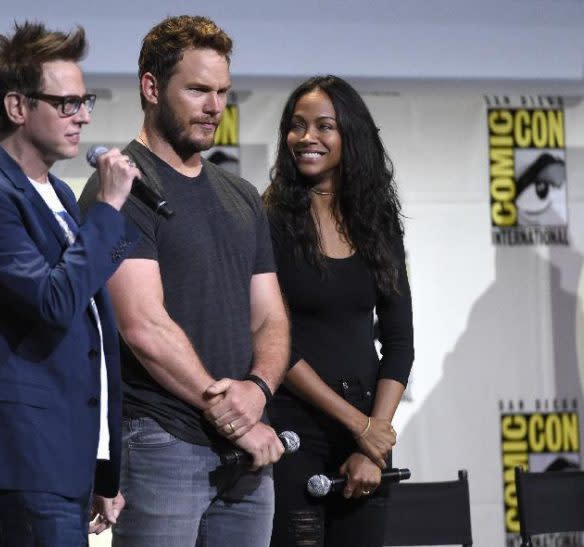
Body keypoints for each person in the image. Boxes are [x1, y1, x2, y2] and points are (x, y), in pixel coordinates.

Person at [78, 15, 290, 547]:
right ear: (151, 87)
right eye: (197, 89)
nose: (214, 105)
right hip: (161, 441)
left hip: (245, 452)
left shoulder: (241, 194)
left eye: (221, 91)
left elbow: (270, 317)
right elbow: (142, 325)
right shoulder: (121, 186)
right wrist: (233, 413)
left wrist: (258, 390)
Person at [0, 21, 140, 546]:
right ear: (17, 107)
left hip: (64, 455)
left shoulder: (60, 196)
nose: (85, 117)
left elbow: (90, 306)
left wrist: (97, 466)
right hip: (24, 454)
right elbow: (54, 302)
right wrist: (110, 207)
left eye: (85, 101)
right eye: (67, 104)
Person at [262, 76, 414, 547]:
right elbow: (273, 345)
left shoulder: (379, 223)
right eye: (297, 125)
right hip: (294, 433)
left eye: (324, 126)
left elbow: (399, 342)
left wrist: (376, 441)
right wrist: (360, 426)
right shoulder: (267, 219)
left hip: (369, 435)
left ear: (350, 136)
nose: (307, 137)